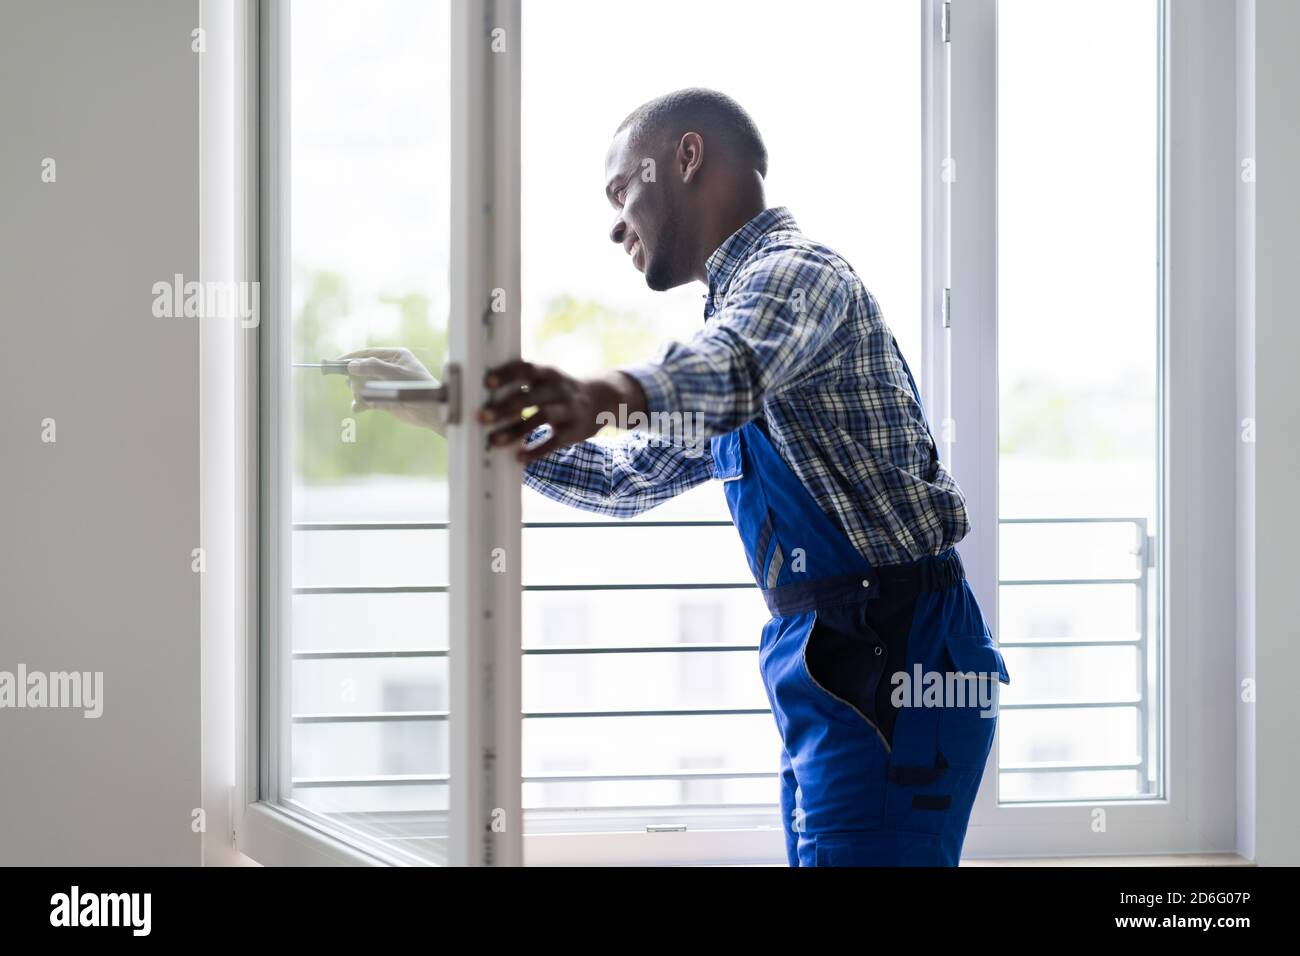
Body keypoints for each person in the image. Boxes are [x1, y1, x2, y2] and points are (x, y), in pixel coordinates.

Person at [342, 87, 1010, 867]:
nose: (615, 221)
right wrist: (453, 416)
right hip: (829, 660)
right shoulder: (739, 312)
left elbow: (730, 366)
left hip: (892, 654)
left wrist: (604, 394)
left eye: (622, 189)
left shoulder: (798, 274)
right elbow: (629, 478)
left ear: (686, 158)